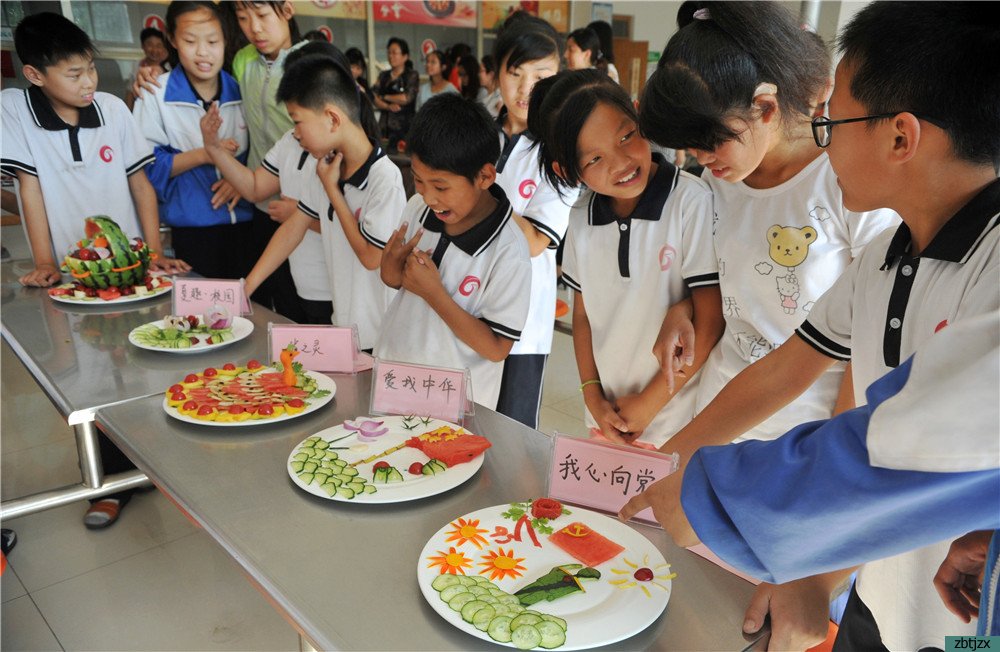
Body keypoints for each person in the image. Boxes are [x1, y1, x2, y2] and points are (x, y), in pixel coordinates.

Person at [631, 2, 999, 649]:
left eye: (835, 119)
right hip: (891, 588)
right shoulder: (893, 257)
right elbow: (784, 365)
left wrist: (712, 497)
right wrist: (673, 460)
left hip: (969, 625)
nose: (822, 137)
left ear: (900, 137)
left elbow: (894, 446)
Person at [619, 312, 1000, 646]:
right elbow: (784, 373)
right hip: (884, 597)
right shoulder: (881, 258)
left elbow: (924, 429)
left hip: (956, 622)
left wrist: (712, 496)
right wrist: (662, 472)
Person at [638, 1, 898, 447]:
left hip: (806, 427)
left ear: (765, 107)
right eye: (691, 147)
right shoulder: (716, 183)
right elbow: (726, 285)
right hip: (721, 411)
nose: (702, 158)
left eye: (712, 142)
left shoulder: (847, 183)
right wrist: (682, 310)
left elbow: (871, 329)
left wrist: (839, 441)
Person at [1, 12, 188, 528]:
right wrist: (44, 262)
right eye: (73, 73)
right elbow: (28, 187)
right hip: (75, 279)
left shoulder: (111, 108)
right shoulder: (14, 110)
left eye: (90, 69)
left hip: (130, 272)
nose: (88, 83)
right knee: (90, 384)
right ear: (36, 75)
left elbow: (140, 186)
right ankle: (107, 486)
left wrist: (152, 254)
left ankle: (156, 468)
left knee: (146, 367)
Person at [531, 69, 723, 448]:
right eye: (596, 158)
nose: (621, 162)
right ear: (566, 170)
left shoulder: (690, 201)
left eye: (626, 136)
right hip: (607, 418)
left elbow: (711, 317)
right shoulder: (581, 217)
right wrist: (591, 397)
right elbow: (583, 316)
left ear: (639, 118)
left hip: (677, 420)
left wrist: (650, 405)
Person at [375, 94, 531, 410]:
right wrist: (390, 267)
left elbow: (498, 347)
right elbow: (396, 282)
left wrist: (435, 294)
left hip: (453, 404)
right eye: (418, 181)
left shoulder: (509, 251)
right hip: (395, 377)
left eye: (441, 187)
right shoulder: (417, 207)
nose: (429, 196)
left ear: (485, 176)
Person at [199, 41, 342, 325]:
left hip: (335, 286)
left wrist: (303, 217)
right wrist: (213, 149)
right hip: (296, 276)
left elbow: (362, 237)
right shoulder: (291, 140)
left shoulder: (344, 154)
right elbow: (254, 187)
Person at [281, 48, 407, 348]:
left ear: (333, 119)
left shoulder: (384, 178)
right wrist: (246, 287)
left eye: (298, 121)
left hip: (379, 335)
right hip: (345, 326)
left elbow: (370, 257)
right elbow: (293, 227)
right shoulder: (326, 166)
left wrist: (333, 192)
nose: (295, 133)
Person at [491, 14, 578, 429]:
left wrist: (479, 193)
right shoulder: (475, 136)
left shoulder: (559, 152)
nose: (527, 89)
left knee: (513, 431)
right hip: (464, 310)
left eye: (541, 75)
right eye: (515, 73)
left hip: (525, 324)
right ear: (496, 75)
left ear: (558, 75)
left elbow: (533, 242)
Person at [133, 1, 255, 280]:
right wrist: (208, 154)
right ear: (172, 40)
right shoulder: (155, 94)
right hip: (192, 234)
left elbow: (263, 150)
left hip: (248, 225)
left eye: (212, 41)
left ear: (225, 39)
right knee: (202, 319)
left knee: (254, 315)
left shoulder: (242, 90)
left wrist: (244, 179)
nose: (203, 52)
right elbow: (148, 168)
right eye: (190, 41)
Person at [372, 37, 418, 151]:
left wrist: (384, 96)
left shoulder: (411, 75)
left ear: (405, 56)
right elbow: (372, 96)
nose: (390, 56)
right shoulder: (383, 75)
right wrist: (387, 106)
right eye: (389, 52)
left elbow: (406, 98)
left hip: (404, 128)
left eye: (394, 53)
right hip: (384, 128)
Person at [125, 27, 170, 110]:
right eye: (150, 45)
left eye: (159, 45)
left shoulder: (169, 67)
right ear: (142, 46)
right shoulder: (136, 66)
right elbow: (130, 94)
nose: (154, 50)